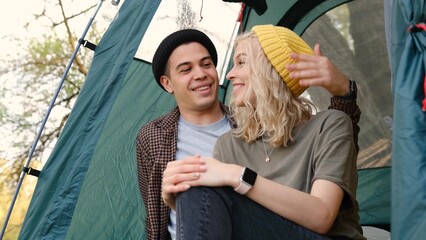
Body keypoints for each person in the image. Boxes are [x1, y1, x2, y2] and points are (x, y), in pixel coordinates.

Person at [136, 27, 361, 240]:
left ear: (271, 68)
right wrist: (173, 200)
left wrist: (236, 174)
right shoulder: (228, 144)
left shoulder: (329, 124)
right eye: (186, 69)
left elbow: (321, 216)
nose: (230, 74)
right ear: (168, 83)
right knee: (196, 184)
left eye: (241, 62)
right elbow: (218, 213)